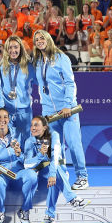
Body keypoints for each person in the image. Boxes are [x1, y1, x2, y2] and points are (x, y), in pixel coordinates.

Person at [32, 30, 88, 190]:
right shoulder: (38, 61)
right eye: (36, 39)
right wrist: (44, 110)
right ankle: (63, 174)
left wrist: (67, 104)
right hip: (49, 113)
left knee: (73, 143)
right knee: (55, 147)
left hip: (67, 110)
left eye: (42, 37)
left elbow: (70, 83)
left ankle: (82, 176)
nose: (40, 41)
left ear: (48, 39)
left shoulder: (60, 57)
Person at [19, 115, 90, 223]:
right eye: (32, 125)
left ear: (45, 127)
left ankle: (50, 215)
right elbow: (27, 164)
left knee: (55, 172)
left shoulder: (54, 136)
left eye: (36, 125)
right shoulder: (29, 141)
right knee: (52, 174)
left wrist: (52, 174)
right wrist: (40, 155)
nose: (33, 128)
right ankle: (68, 202)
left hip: (58, 170)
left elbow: (55, 158)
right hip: (40, 174)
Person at [0, 108, 23, 223]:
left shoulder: (18, 134)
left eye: (5, 117)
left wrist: (19, 154)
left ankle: (25, 210)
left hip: (18, 171)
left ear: (9, 119)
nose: (2, 120)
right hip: (2, 174)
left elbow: (27, 157)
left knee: (32, 177)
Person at [0, 36, 32, 140]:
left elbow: (42, 81)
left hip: (24, 111)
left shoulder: (28, 66)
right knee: (9, 142)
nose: (13, 50)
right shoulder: (1, 66)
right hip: (7, 111)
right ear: (6, 49)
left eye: (16, 47)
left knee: (26, 141)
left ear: (20, 48)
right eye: (10, 47)